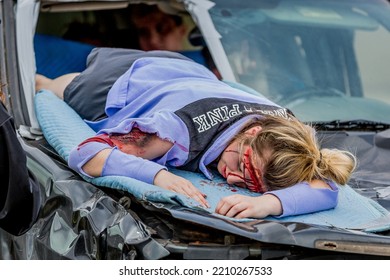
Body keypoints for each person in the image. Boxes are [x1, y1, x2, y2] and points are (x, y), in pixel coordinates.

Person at [35, 48, 356, 219]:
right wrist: (159, 176)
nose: (232, 179)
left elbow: (326, 185)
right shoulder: (172, 133)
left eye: (248, 185)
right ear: (253, 131)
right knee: (51, 88)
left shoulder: (288, 132)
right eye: (242, 165)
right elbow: (87, 155)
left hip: (190, 72)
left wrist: (268, 203)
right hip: (121, 80)